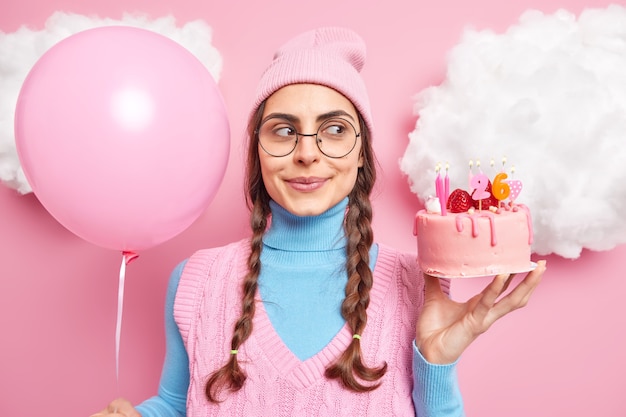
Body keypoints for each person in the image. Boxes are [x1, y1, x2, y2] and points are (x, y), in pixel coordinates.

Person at [91, 26, 545, 417]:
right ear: (258, 153)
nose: (307, 152)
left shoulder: (416, 287)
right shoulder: (195, 282)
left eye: (334, 129)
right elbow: (176, 405)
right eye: (284, 130)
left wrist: (436, 364)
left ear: (361, 152)